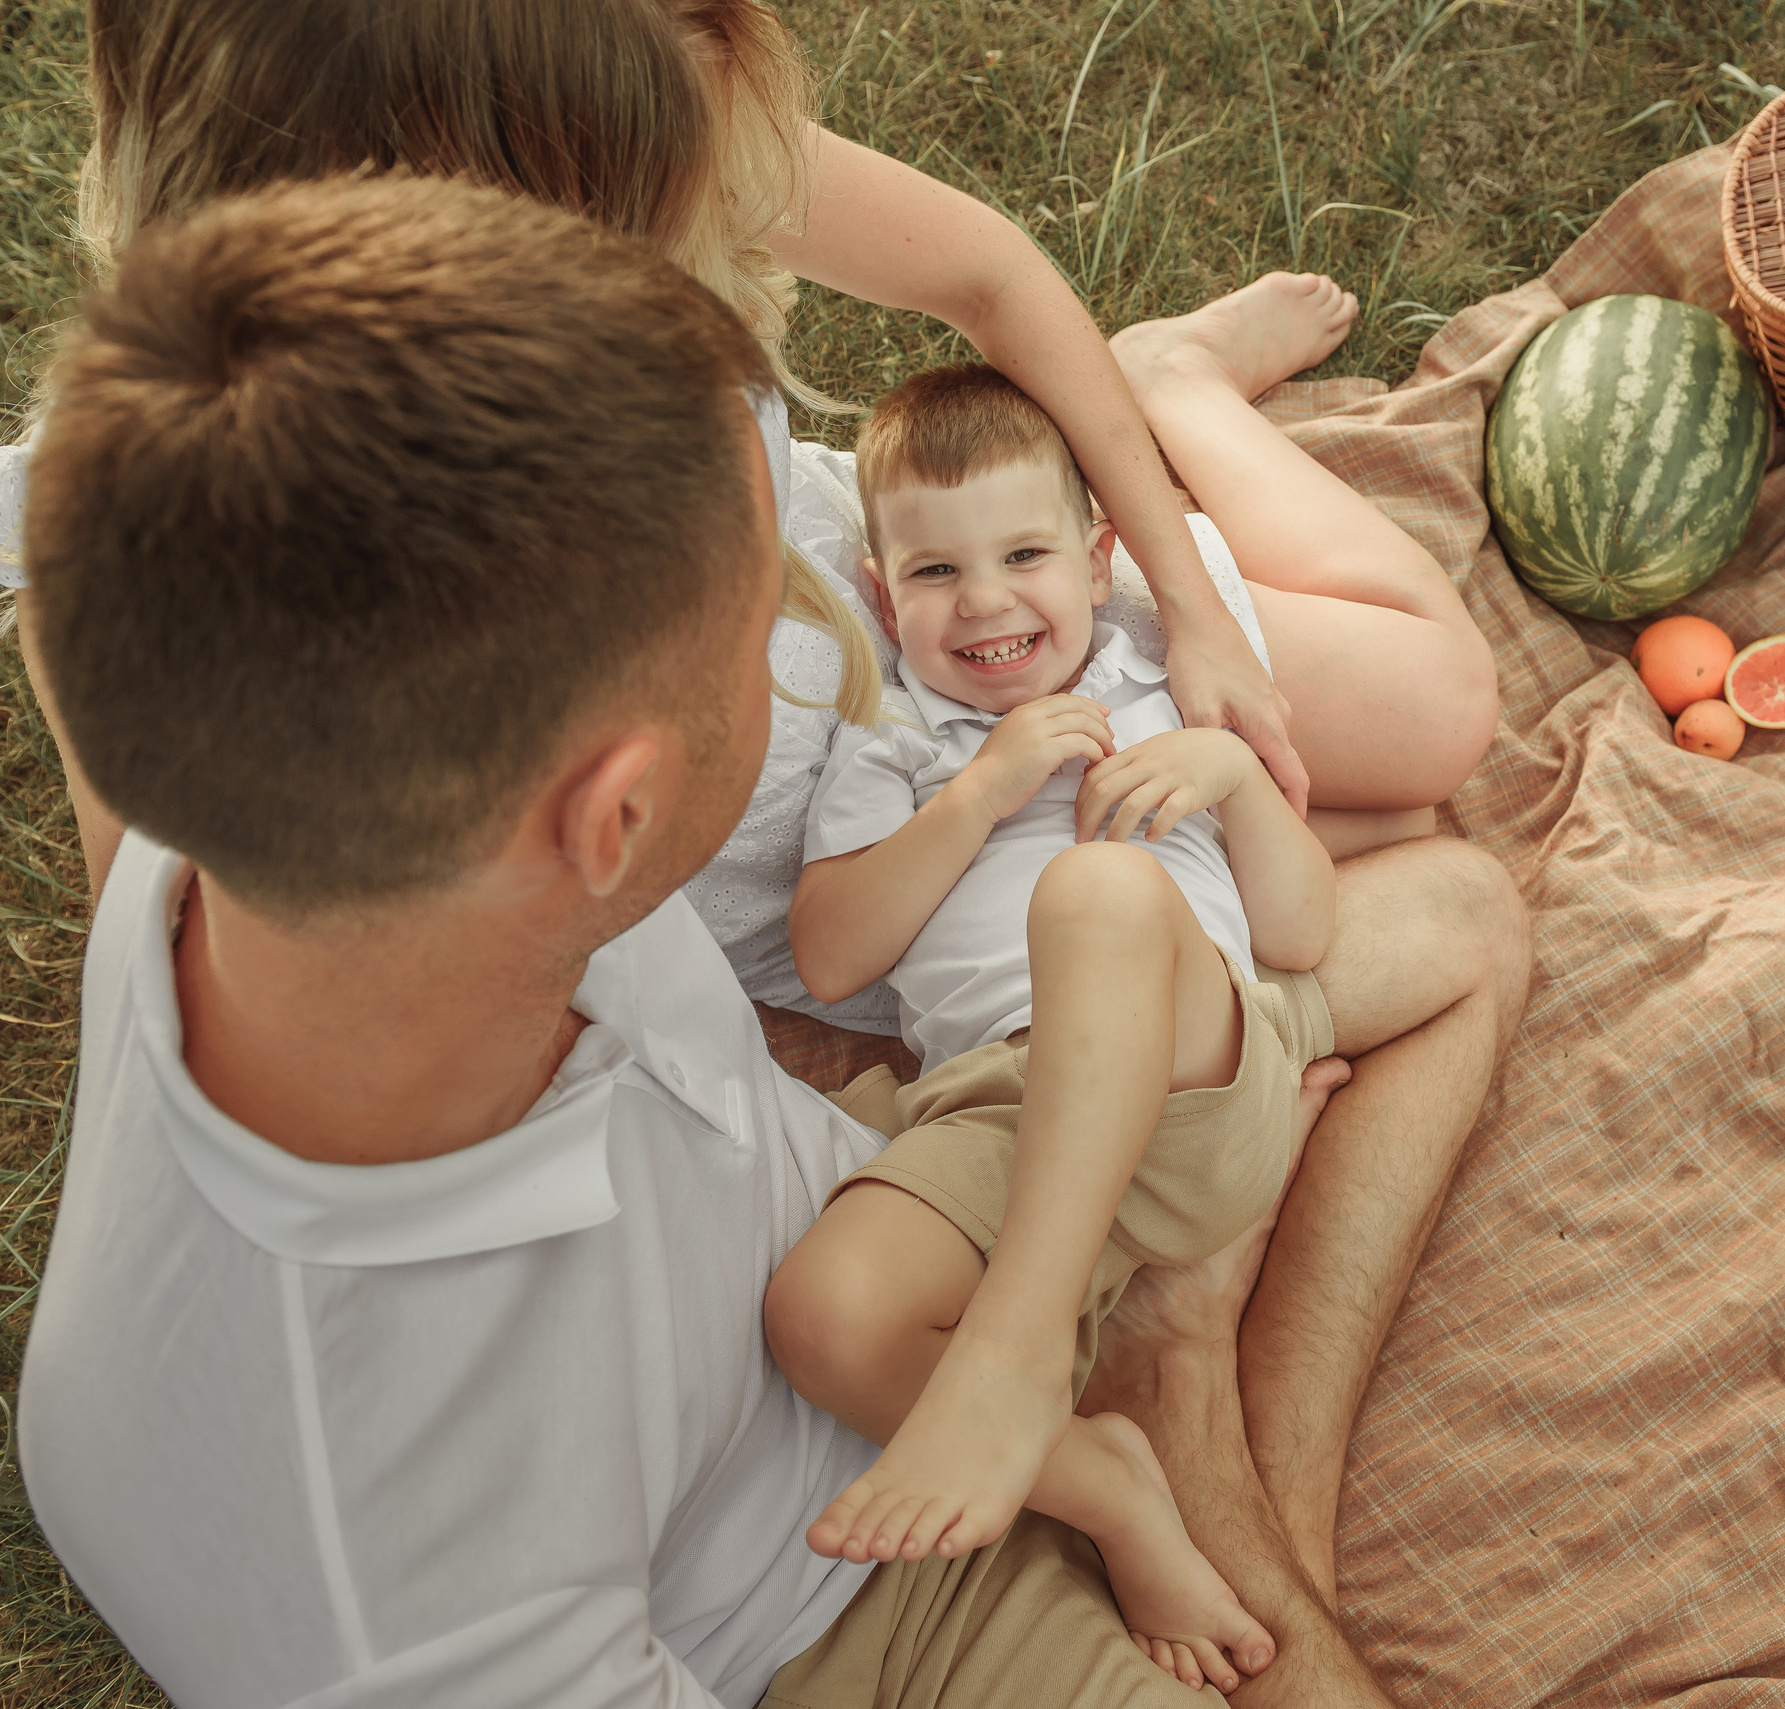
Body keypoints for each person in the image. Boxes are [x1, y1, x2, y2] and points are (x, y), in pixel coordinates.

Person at [17, 175, 1530, 1707]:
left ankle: (1191, 1363)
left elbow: (56, 530)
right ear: (619, 814)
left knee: (1458, 903)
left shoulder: (225, 813)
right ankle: (1172, 1391)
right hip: (850, 1609)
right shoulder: (403, 1610)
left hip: (922, 1195)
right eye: (779, 625)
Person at [9, 0, 1499, 939]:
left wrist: (1187, 600)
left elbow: (986, 274)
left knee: (1437, 718)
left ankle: (1173, 386)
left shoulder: (617, 65)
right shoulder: (185, 506)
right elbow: (205, 946)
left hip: (912, 615)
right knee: (1352, 849)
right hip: (792, 867)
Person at [769, 364, 1333, 1684]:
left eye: (1024, 554)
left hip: (1194, 1093)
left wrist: (1238, 777)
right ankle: (1107, 1482)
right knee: (823, 1316)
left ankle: (1016, 1359)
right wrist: (980, 788)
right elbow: (832, 948)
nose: (984, 603)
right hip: (1004, 1116)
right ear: (875, 591)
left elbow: (1304, 932)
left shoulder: (1159, 679)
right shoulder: (896, 731)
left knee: (1098, 894)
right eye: (933, 574)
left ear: (1098, 560)